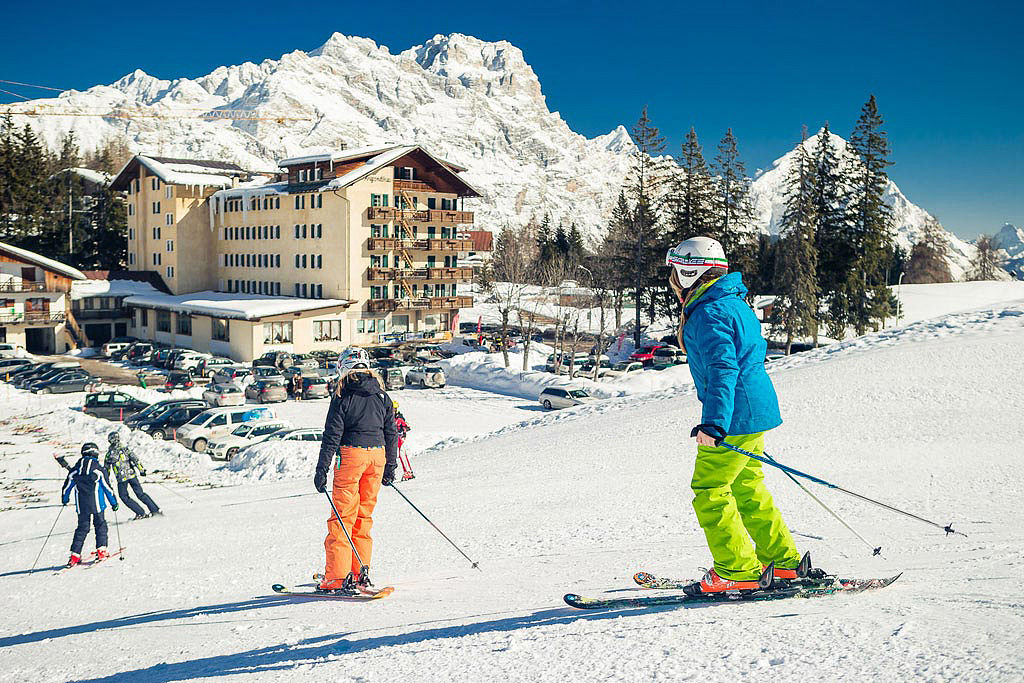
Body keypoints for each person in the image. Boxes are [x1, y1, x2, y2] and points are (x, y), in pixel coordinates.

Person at [666, 236, 805, 595]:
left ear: (687, 271)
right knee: (747, 486)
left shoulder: (709, 313)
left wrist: (714, 422)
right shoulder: (731, 302)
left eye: (674, 271)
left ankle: (737, 569)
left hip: (734, 415)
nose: (672, 279)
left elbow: (723, 368)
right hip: (755, 410)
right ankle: (784, 563)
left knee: (710, 488)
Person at [314, 363, 398, 594]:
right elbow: (391, 431)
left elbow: (332, 434)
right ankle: (360, 570)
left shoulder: (343, 395)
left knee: (343, 517)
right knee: (363, 515)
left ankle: (338, 578)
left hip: (352, 455)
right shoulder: (381, 396)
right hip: (377, 457)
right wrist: (390, 465)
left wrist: (322, 468)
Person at [61, 442, 119, 567]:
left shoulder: (75, 470)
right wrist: (114, 502)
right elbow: (107, 487)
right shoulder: (98, 469)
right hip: (97, 504)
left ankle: (74, 556)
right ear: (95, 453)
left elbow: (67, 486)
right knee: (100, 525)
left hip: (82, 505)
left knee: (82, 528)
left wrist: (65, 499)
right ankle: (101, 551)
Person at [104, 431, 161, 520]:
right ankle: (154, 510)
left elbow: (106, 469)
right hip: (130, 476)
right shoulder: (124, 449)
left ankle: (141, 512)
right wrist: (141, 469)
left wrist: (106, 479)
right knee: (140, 494)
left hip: (122, 479)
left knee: (124, 496)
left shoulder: (110, 454)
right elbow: (135, 460)